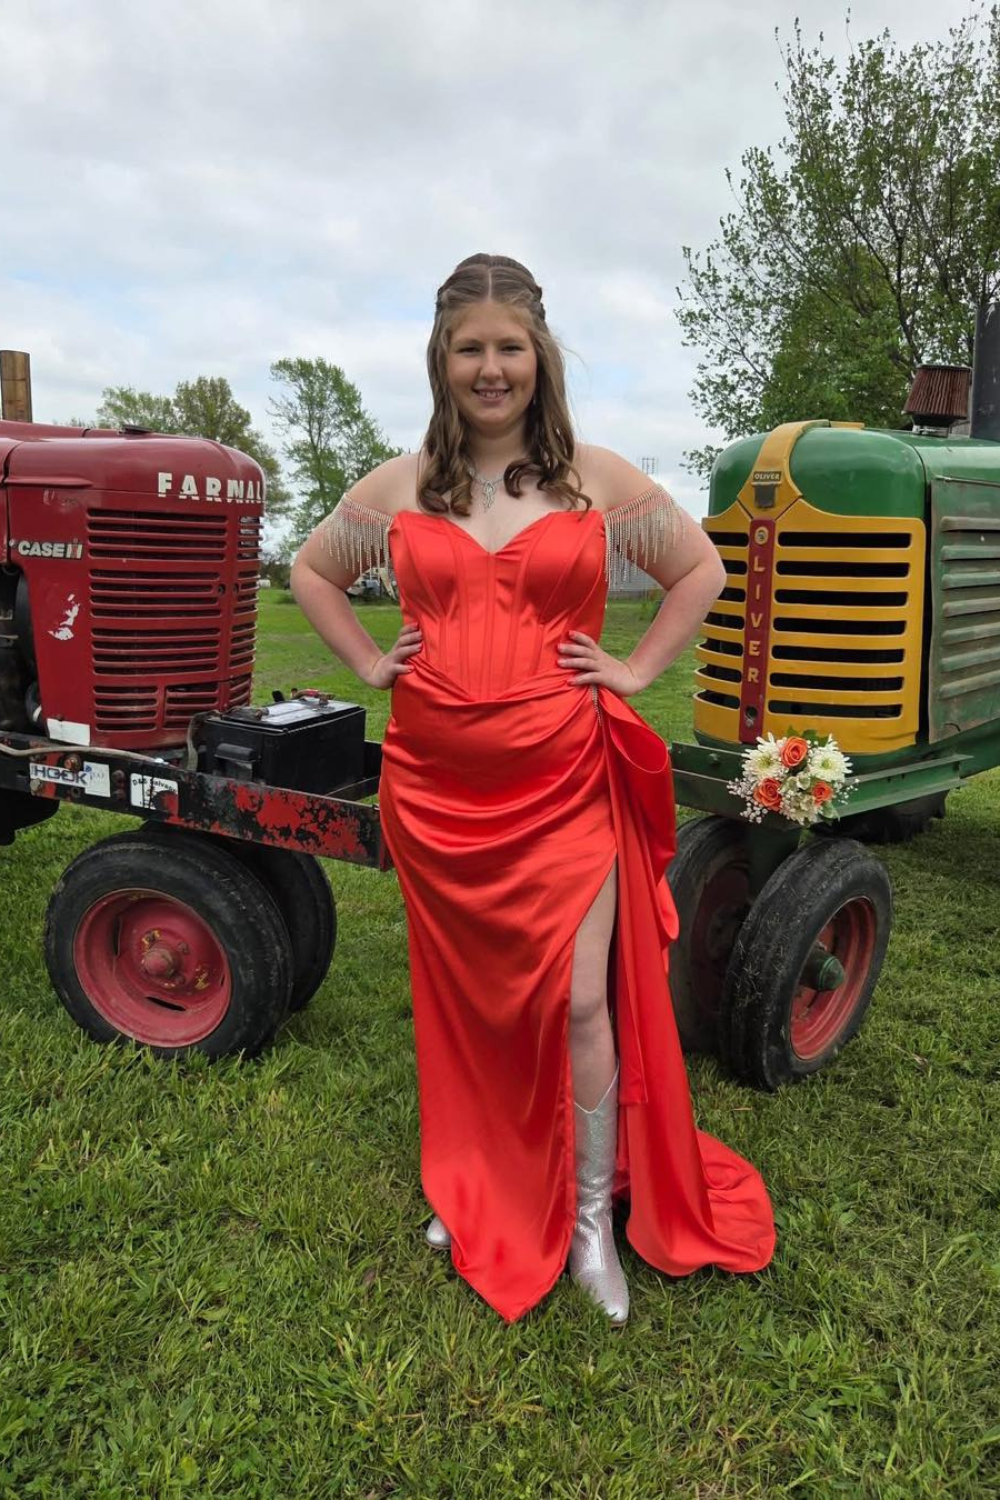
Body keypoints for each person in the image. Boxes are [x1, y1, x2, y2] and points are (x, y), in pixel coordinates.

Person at [291, 253, 775, 1325]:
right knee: (468, 1004)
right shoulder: (400, 485)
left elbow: (700, 568)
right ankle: (476, 1184)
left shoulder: (592, 480)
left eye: (509, 347)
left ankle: (592, 1219)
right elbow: (311, 571)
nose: (490, 368)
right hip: (433, 785)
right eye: (470, 348)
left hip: (562, 778)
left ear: (539, 357)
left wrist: (637, 670)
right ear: (441, 360)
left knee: (578, 997)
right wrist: (371, 666)